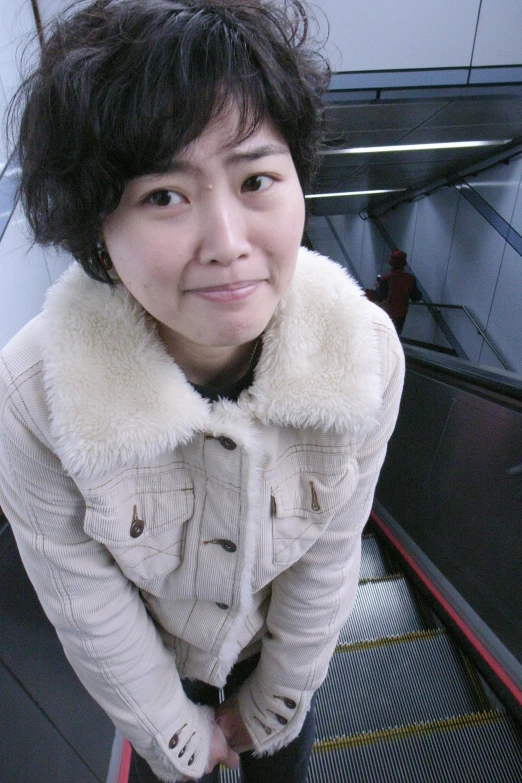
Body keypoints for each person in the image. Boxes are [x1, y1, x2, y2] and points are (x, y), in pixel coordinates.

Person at [0, 2, 405, 781]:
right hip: (155, 669)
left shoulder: (364, 355)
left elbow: (329, 553)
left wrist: (272, 704)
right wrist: (177, 732)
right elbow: (86, 604)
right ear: (99, 234)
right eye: (163, 196)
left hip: (277, 661)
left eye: (256, 178)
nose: (227, 243)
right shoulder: (34, 396)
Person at [373, 250, 422, 334]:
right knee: (395, 338)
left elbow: (379, 297)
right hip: (401, 315)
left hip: (386, 314)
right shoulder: (410, 279)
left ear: (391, 263)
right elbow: (416, 297)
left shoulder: (386, 279)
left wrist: (377, 286)